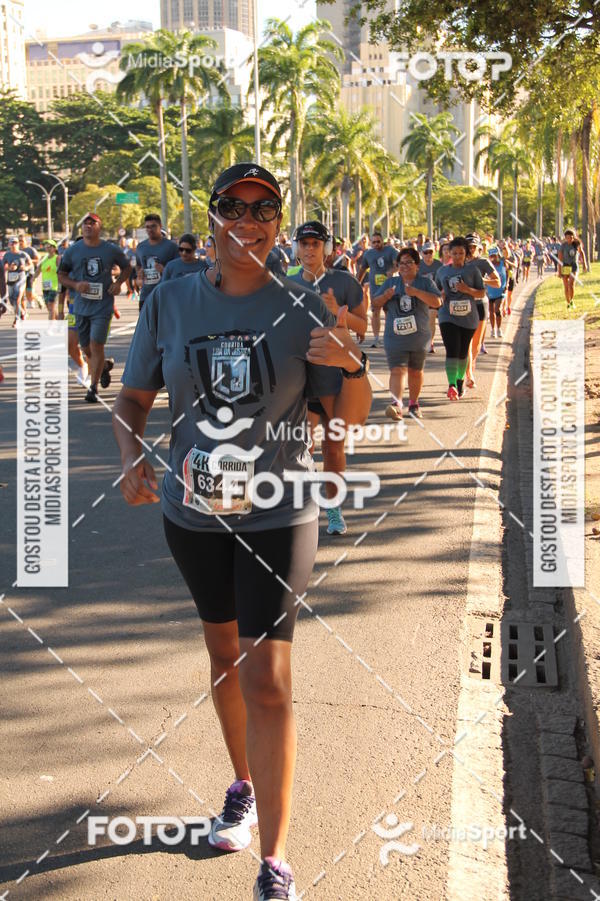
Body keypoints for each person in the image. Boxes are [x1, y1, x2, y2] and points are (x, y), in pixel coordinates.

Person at [113, 162, 371, 901]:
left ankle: (277, 859)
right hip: (193, 513)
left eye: (264, 209)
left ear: (278, 224)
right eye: (234, 207)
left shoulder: (305, 304)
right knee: (224, 655)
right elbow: (132, 399)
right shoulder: (169, 300)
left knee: (268, 674)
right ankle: (243, 786)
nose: (249, 221)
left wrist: (351, 363)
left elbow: (346, 414)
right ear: (215, 216)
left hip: (280, 507)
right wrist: (132, 456)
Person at [287, 220, 367, 535]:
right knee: (298, 446)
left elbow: (362, 327)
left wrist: (340, 315)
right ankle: (303, 510)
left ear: (327, 249)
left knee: (334, 448)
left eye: (315, 244)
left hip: (334, 379)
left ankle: (333, 510)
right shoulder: (285, 281)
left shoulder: (345, 282)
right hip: (298, 377)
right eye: (304, 244)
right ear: (295, 248)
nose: (309, 250)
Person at [58, 212, 131, 403]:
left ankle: (93, 387)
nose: (88, 226)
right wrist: (75, 285)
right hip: (81, 307)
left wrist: (118, 283)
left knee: (96, 344)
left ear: (99, 227)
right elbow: (61, 275)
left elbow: (127, 267)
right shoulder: (73, 251)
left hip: (102, 306)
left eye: (92, 223)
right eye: (85, 224)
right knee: (86, 349)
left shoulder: (110, 249)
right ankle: (104, 366)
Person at [372, 246, 442, 420]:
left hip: (419, 337)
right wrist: (386, 296)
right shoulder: (390, 283)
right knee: (397, 370)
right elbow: (375, 303)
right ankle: (396, 405)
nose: (404, 266)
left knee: (415, 371)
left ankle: (414, 404)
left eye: (409, 262)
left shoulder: (425, 282)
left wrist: (416, 292)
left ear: (417, 265)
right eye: (401, 263)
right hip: (394, 337)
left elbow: (437, 302)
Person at [436, 237, 485, 400]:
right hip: (447, 315)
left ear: (466, 254)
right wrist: (440, 295)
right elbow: (436, 292)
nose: (457, 256)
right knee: (452, 350)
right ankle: (451, 385)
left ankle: (459, 381)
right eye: (454, 253)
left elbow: (481, 293)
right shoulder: (442, 271)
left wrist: (467, 289)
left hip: (468, 317)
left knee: (463, 352)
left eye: (461, 253)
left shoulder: (472, 271)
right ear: (449, 253)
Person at [465, 235, 500, 387]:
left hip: (481, 303)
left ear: (479, 248)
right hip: (464, 305)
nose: (471, 249)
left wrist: (483, 280)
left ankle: (471, 366)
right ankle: (468, 374)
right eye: (468, 246)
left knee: (477, 344)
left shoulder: (483, 262)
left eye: (473, 246)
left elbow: (497, 282)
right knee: (466, 341)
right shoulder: (459, 261)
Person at [357, 232, 398, 348]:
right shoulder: (368, 254)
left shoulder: (390, 251)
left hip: (389, 287)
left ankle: (389, 336)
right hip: (375, 288)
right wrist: (357, 283)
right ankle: (376, 338)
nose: (376, 244)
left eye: (378, 241)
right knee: (375, 312)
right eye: (373, 242)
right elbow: (362, 269)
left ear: (382, 241)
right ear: (371, 243)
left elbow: (398, 264)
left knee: (388, 312)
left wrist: (393, 271)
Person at [135, 214, 178, 311]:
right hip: (146, 295)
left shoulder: (171, 246)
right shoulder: (141, 247)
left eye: (153, 226)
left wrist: (165, 270)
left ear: (160, 226)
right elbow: (138, 266)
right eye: (147, 227)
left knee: (165, 326)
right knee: (146, 326)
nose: (150, 230)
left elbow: (178, 270)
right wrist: (139, 275)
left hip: (165, 295)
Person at [418, 241, 442, 354]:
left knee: (431, 318)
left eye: (430, 252)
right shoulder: (417, 266)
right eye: (425, 252)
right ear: (422, 253)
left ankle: (430, 342)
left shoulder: (439, 265)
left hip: (433, 297)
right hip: (420, 297)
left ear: (434, 252)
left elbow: (443, 281)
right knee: (422, 322)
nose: (428, 255)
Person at [558, 228, 588, 309]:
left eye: (571, 238)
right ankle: (568, 303)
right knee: (566, 286)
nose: (569, 239)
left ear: (573, 237)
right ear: (565, 238)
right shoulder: (563, 246)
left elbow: (582, 253)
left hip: (573, 266)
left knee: (571, 284)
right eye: (567, 238)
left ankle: (571, 301)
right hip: (565, 266)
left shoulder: (576, 244)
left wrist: (584, 264)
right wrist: (559, 271)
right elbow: (560, 259)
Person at [3, 237, 29, 325]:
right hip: (10, 279)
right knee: (11, 300)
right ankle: (22, 312)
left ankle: (16, 319)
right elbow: (4, 266)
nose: (14, 245)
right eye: (12, 243)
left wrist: (25, 267)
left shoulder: (23, 254)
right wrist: (8, 267)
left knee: (17, 298)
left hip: (21, 279)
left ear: (18, 244)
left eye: (15, 243)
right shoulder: (7, 255)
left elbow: (31, 264)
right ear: (9, 244)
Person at [486, 246, 508, 339]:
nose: (493, 258)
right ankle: (493, 329)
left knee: (497, 309)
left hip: (500, 290)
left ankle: (499, 328)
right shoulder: (488, 265)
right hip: (490, 290)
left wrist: (506, 285)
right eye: (491, 256)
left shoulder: (503, 263)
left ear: (498, 255)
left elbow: (508, 274)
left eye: (495, 255)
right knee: (491, 311)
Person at [19, 234, 41, 310]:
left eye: (22, 241)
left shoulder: (31, 249)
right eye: (19, 241)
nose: (20, 242)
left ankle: (37, 299)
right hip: (20, 274)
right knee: (22, 290)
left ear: (26, 241)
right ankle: (28, 302)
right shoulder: (17, 250)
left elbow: (38, 259)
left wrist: (29, 261)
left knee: (29, 290)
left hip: (30, 273)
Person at [40, 239, 60, 320]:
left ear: (54, 248)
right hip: (45, 287)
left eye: (49, 246)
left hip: (54, 286)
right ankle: (61, 323)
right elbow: (38, 269)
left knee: (51, 307)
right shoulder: (44, 258)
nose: (47, 248)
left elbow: (61, 270)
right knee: (50, 308)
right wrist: (33, 278)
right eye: (46, 246)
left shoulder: (57, 258)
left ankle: (50, 328)